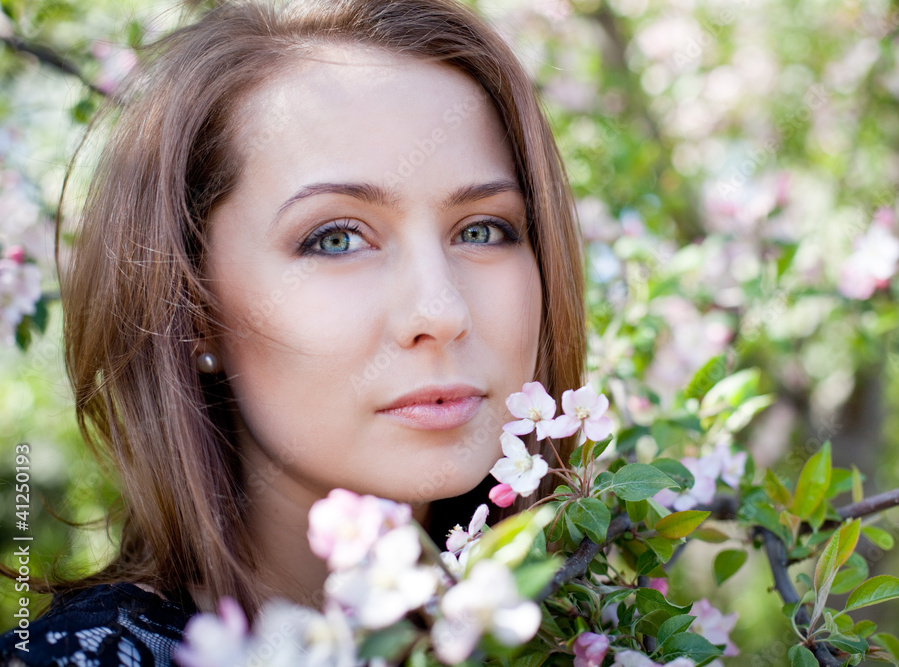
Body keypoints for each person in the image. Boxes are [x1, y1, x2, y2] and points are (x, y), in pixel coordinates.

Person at [0, 0, 586, 664]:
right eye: (335, 238)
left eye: (482, 229)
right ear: (192, 308)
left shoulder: (594, 626)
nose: (441, 310)